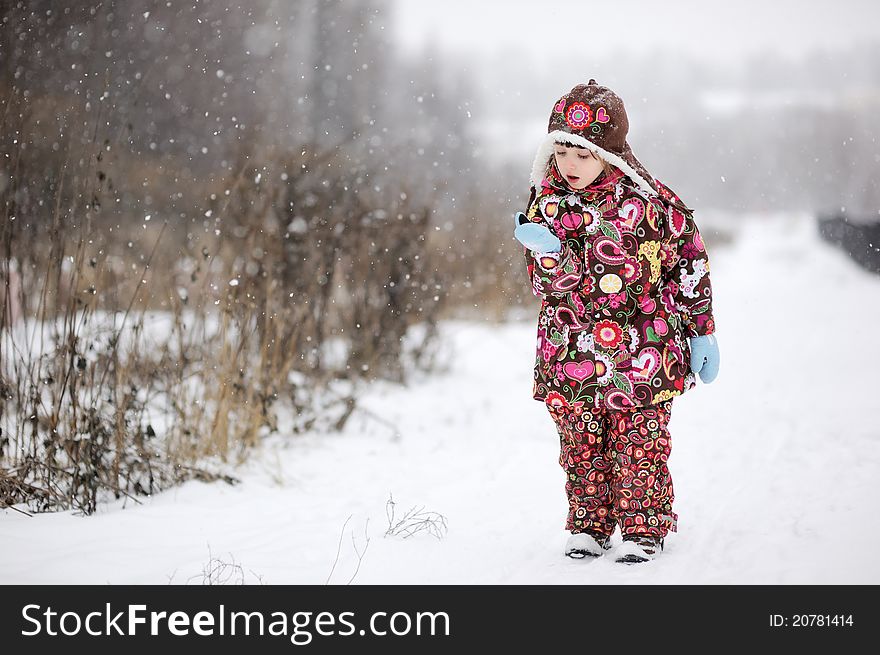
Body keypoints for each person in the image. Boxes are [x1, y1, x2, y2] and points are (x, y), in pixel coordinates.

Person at [514, 80, 720, 564]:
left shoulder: (652, 203)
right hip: (571, 348)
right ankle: (589, 523)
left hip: (644, 349)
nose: (569, 166)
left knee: (640, 442)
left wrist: (701, 329)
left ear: (610, 153)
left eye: (583, 155)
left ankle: (644, 526)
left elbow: (687, 264)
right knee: (580, 444)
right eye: (561, 152)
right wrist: (548, 258)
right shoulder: (546, 205)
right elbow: (548, 289)